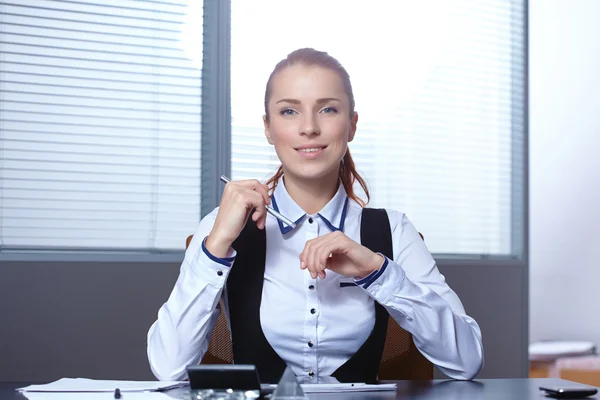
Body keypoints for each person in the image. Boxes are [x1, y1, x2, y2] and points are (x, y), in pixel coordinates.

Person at [147, 48, 484, 383]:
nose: (308, 127)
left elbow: (466, 362)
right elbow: (169, 368)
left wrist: (377, 272)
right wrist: (217, 243)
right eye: (289, 111)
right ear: (268, 127)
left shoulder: (393, 230)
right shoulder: (224, 227)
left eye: (327, 109)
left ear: (351, 125)